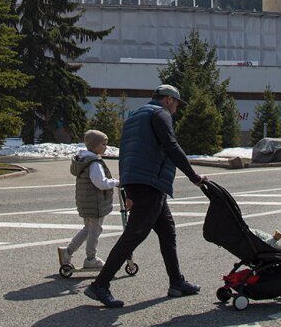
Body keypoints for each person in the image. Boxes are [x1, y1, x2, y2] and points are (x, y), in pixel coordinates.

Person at [85, 84, 207, 309]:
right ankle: (99, 285)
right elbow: (171, 145)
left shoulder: (134, 116)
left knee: (167, 231)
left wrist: (127, 188)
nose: (176, 109)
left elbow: (126, 154)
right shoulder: (160, 113)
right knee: (133, 235)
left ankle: (176, 282)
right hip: (150, 182)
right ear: (169, 100)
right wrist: (193, 176)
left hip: (140, 182)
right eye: (177, 104)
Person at [58, 129, 120, 271]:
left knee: (88, 229)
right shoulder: (94, 163)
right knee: (95, 230)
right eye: (103, 144)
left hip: (86, 201)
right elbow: (101, 183)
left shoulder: (83, 160)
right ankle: (91, 259)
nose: (106, 147)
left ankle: (67, 252)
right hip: (95, 203)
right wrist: (116, 182)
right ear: (94, 145)